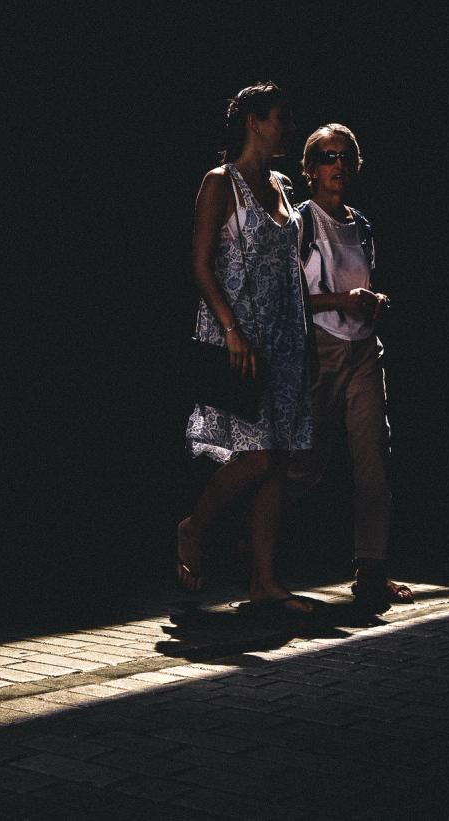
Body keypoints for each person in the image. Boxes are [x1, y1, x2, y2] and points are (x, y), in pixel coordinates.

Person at [178, 82, 315, 615]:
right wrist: (232, 328)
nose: (288, 126)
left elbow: (290, 272)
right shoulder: (221, 183)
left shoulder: (281, 185)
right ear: (254, 122)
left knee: (276, 460)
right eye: (280, 117)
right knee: (256, 456)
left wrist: (305, 341)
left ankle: (264, 583)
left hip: (284, 339)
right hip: (239, 336)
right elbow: (200, 263)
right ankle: (194, 526)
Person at [286, 123, 413, 608]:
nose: (337, 165)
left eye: (345, 156)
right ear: (311, 168)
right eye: (327, 156)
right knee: (306, 463)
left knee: (374, 461)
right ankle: (254, 552)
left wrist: (373, 301)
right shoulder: (303, 222)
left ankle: (371, 570)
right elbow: (292, 297)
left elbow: (364, 282)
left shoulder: (361, 223)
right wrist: (345, 299)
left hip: (363, 349)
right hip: (321, 349)